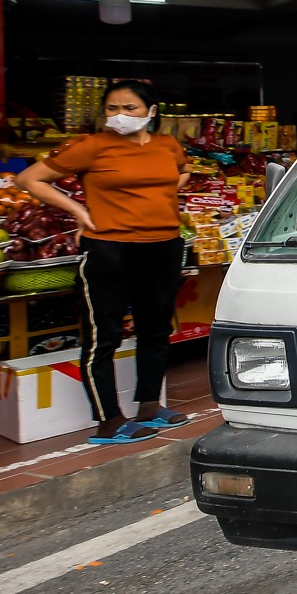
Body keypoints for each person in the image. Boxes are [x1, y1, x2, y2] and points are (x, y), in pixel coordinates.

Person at [19, 80, 190, 445]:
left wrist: (159, 199)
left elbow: (182, 172)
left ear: (151, 112)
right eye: (112, 109)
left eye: (129, 108)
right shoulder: (91, 146)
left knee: (156, 329)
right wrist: (79, 209)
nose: (120, 116)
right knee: (104, 336)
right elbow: (30, 178)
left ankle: (149, 406)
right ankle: (109, 420)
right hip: (109, 249)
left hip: (163, 245)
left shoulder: (167, 145)